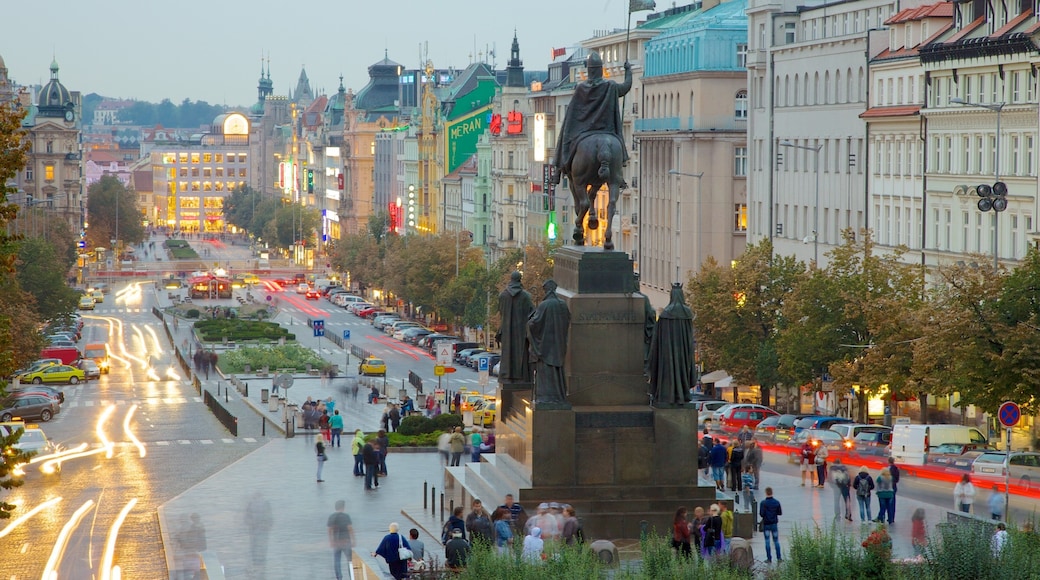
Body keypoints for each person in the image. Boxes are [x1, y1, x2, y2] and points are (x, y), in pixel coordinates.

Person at [550, 50, 632, 185]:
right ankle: (618, 172)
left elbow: (573, 113)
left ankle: (558, 169)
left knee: (565, 130)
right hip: (606, 130)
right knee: (617, 143)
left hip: (583, 131)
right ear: (600, 70)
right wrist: (628, 71)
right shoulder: (610, 86)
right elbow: (625, 87)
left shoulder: (581, 88)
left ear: (589, 70)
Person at [528, 279, 571, 406]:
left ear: (547, 290)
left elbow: (534, 324)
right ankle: (559, 396)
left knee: (546, 372)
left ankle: (546, 398)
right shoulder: (563, 304)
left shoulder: (544, 305)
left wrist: (529, 322)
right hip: (559, 344)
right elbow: (567, 320)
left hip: (546, 346)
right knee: (558, 370)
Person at [497, 270, 534, 383]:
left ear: (511, 279)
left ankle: (507, 376)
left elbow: (501, 312)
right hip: (521, 332)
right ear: (519, 280)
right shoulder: (526, 296)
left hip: (507, 331)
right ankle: (521, 377)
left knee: (507, 353)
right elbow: (532, 313)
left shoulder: (503, 296)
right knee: (522, 354)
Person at [327, 500, 355, 580]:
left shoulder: (332, 516)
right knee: (349, 561)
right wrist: (353, 540)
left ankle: (339, 578)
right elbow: (350, 528)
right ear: (343, 507)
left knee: (337, 561)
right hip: (346, 541)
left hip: (336, 542)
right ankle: (351, 577)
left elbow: (330, 529)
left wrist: (331, 541)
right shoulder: (346, 516)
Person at [759, 487, 783, 564]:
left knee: (767, 541)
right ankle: (779, 557)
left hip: (766, 524)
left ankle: (769, 558)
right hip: (774, 523)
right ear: (772, 492)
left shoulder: (763, 503)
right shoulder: (776, 502)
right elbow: (780, 513)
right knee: (776, 541)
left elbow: (761, 514)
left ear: (766, 493)